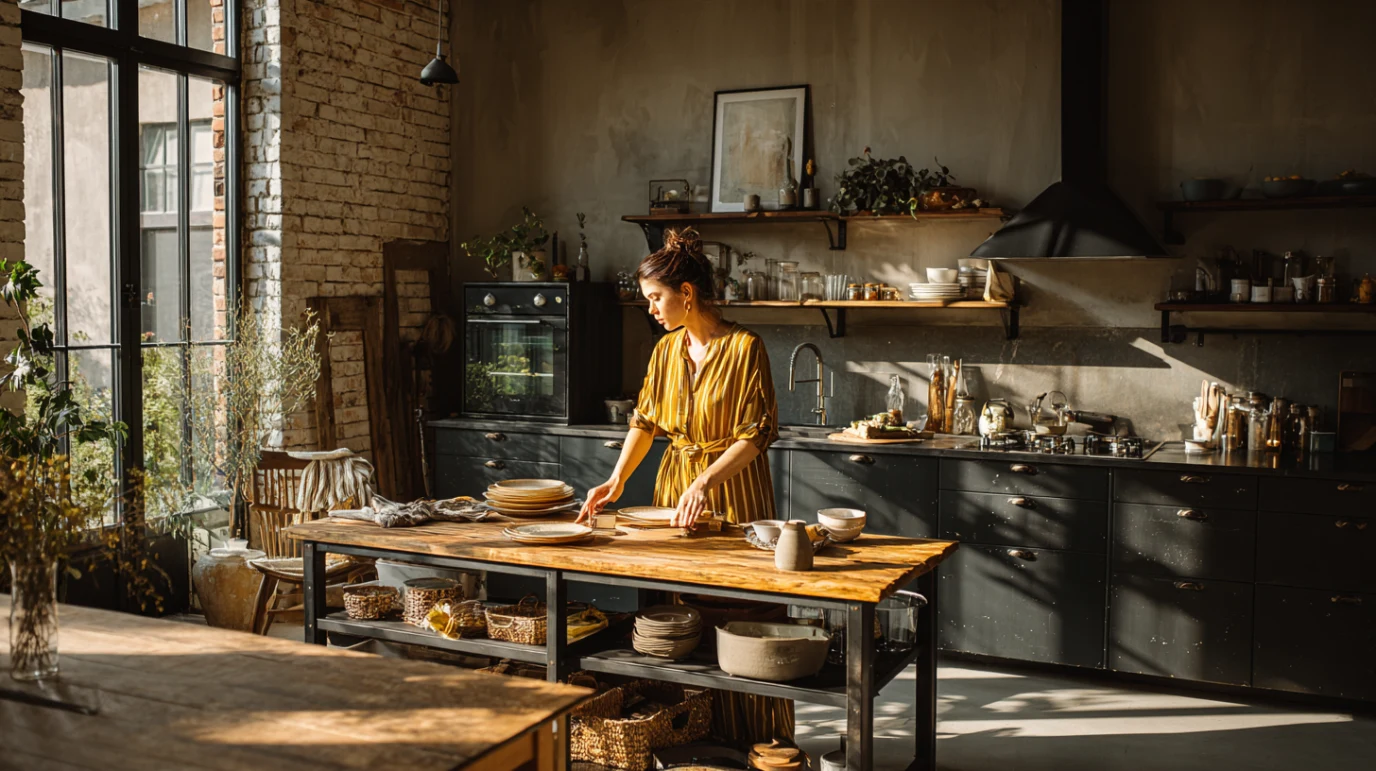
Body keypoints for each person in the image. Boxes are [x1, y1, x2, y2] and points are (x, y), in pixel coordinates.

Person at [576, 226, 790, 744]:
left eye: (655, 298)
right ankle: (686, 734)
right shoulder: (665, 351)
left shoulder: (745, 348)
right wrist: (616, 479)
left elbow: (758, 435)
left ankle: (756, 742)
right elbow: (645, 423)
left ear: (686, 294)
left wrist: (706, 480)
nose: (649, 308)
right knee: (677, 611)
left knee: (739, 611)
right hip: (675, 492)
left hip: (734, 492)